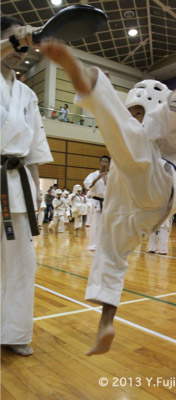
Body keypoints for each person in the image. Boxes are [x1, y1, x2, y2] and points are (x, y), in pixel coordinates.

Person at [40, 40, 176, 355]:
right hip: (141, 210)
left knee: (132, 138)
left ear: (151, 107)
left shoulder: (161, 125)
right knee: (110, 252)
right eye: (131, 110)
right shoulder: (122, 160)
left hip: (161, 180)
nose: (133, 115)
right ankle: (106, 323)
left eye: (137, 111)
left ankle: (86, 78)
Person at [1, 17, 53, 356]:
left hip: (15, 183)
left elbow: (34, 150)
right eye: (14, 42)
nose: (22, 50)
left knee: (21, 262)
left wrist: (36, 191)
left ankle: (15, 331)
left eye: (25, 45)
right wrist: (18, 39)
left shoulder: (27, 94)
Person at [84, 155, 110, 250]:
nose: (104, 163)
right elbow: (88, 185)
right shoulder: (93, 175)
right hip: (96, 201)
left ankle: (104, 245)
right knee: (96, 224)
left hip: (107, 202)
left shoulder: (111, 176)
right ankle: (94, 245)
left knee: (107, 225)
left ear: (108, 164)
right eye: (102, 161)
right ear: (99, 163)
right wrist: (98, 177)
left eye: (106, 162)